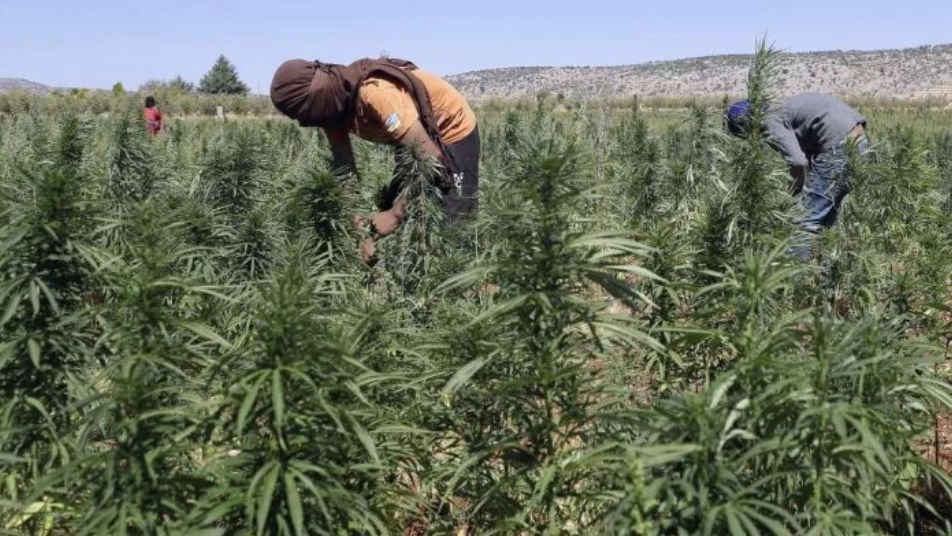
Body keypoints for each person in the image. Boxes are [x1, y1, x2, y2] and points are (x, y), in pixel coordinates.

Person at [269, 57, 480, 265]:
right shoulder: (331, 109)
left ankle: (463, 277)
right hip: (411, 136)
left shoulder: (375, 94)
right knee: (397, 205)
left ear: (315, 98)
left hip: (450, 131)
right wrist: (358, 227)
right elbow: (345, 170)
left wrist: (395, 215)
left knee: (454, 224)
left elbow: (430, 157)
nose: (305, 122)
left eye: (304, 115)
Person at [726, 93, 869, 260]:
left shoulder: (769, 121)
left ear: (749, 126)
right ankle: (828, 271)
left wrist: (793, 192)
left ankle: (793, 271)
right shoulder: (780, 108)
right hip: (857, 141)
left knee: (804, 219)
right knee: (826, 220)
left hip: (839, 148)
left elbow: (798, 161)